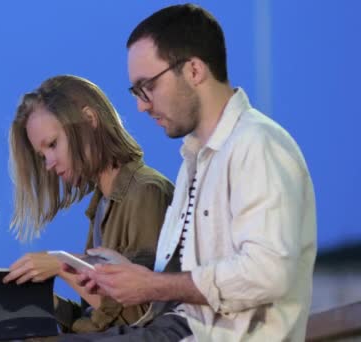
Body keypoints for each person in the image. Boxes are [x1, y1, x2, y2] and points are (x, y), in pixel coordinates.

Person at [63, 4, 317, 341]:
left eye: (147, 86)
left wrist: (152, 285)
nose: (141, 105)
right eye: (136, 92)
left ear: (194, 70)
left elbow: (268, 273)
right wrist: (130, 276)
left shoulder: (257, 144)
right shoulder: (195, 162)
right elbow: (187, 288)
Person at [4, 75, 174, 333]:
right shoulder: (102, 206)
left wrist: (63, 265)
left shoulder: (146, 192)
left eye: (53, 144)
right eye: (42, 156)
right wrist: (41, 303)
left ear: (90, 120)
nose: (49, 164)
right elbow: (100, 314)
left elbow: (143, 315)